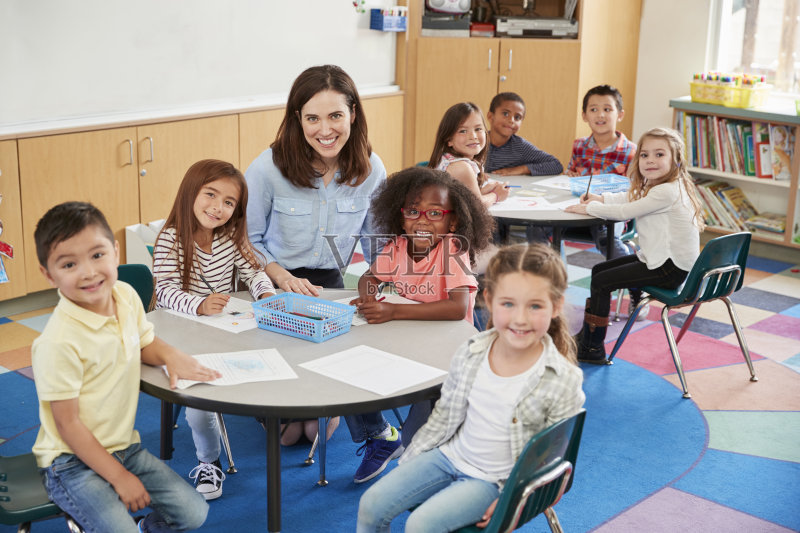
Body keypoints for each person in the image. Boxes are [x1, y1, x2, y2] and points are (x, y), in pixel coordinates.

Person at [356, 243, 585, 532]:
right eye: (508, 303)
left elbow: (549, 454)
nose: (520, 318)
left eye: (535, 305)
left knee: (420, 525)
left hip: (494, 480)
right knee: (371, 504)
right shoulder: (472, 350)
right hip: (449, 457)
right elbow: (443, 416)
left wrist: (508, 495)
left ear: (556, 306)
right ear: (488, 300)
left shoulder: (561, 378)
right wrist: (412, 462)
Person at [244, 64, 393, 484]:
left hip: (326, 282)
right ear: (297, 119)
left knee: (345, 355)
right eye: (312, 118)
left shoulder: (371, 168)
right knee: (293, 433)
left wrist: (376, 288)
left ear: (353, 116)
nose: (324, 129)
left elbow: (376, 247)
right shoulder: (267, 167)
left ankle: (378, 433)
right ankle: (304, 411)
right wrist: (278, 276)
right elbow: (246, 240)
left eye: (335, 116)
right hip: (266, 281)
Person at [31, 201, 217, 533]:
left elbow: (144, 342)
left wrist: (171, 355)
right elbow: (68, 426)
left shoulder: (126, 296)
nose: (88, 272)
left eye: (97, 255)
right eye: (69, 263)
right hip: (70, 463)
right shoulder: (57, 342)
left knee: (194, 513)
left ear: (116, 252)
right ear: (48, 274)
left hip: (123, 447)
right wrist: (119, 478)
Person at [152, 159, 276, 499]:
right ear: (191, 192)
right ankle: (210, 462)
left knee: (275, 354)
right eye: (210, 194)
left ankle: (270, 414)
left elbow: (254, 271)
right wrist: (198, 304)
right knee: (199, 406)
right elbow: (163, 290)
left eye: (228, 202)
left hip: (224, 329)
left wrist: (266, 293)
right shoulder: (170, 239)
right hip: (179, 336)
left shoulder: (229, 238)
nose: (217, 207)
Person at [565, 127, 706, 363]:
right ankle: (588, 338)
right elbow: (631, 197)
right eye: (644, 155)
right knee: (600, 271)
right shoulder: (661, 186)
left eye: (659, 155)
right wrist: (601, 199)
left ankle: (593, 349)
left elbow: (624, 211)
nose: (650, 160)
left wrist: (589, 208)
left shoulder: (666, 192)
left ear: (676, 160)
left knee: (600, 281)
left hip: (669, 269)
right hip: (663, 261)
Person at [351, 167, 495, 326]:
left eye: (435, 213)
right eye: (413, 211)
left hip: (449, 334)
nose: (422, 220)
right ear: (401, 219)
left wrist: (393, 311)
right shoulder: (398, 246)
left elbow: (458, 308)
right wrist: (367, 297)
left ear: (453, 222)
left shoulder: (452, 248)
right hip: (411, 328)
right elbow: (369, 277)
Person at [565, 84, 637, 261]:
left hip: (612, 213)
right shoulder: (579, 146)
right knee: (537, 228)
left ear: (620, 114)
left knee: (605, 235)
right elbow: (570, 174)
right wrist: (570, 176)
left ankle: (633, 278)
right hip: (578, 209)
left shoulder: (632, 151)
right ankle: (553, 278)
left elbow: (634, 191)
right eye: (593, 109)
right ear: (584, 115)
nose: (600, 115)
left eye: (607, 109)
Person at [428, 102, 510, 208]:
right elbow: (477, 206)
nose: (473, 136)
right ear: (449, 140)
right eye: (463, 131)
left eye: (478, 129)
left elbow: (465, 197)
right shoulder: (461, 167)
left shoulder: (448, 158)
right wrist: (496, 195)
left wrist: (483, 191)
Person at [484, 92, 563, 176]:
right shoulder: (477, 140)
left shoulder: (520, 147)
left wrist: (522, 169)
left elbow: (556, 165)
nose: (511, 120)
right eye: (505, 114)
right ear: (490, 117)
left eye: (517, 117)